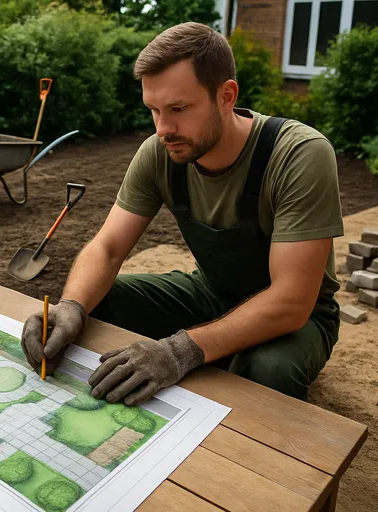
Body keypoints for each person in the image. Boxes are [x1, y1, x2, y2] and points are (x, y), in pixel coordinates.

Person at [20, 21, 344, 404]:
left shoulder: (298, 155)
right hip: (211, 292)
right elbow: (106, 249)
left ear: (226, 95)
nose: (163, 128)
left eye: (178, 108)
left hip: (301, 317)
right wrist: (71, 307)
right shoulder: (161, 152)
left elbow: (292, 301)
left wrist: (178, 352)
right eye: (154, 110)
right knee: (96, 303)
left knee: (267, 371)